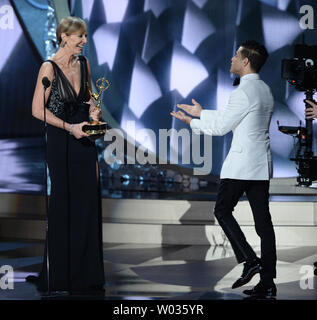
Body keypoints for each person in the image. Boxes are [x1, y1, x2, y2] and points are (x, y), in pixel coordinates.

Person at [171, 40, 277, 299]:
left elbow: (221, 128)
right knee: (264, 224)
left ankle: (250, 260)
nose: (231, 59)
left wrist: (193, 122)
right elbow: (233, 117)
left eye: (236, 55)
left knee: (222, 210)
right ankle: (267, 280)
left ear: (245, 61)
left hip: (241, 166)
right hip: (260, 165)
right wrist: (202, 113)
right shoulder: (264, 89)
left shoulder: (243, 92)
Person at [27, 16, 105, 295]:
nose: (84, 41)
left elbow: (88, 96)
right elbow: (37, 110)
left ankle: (85, 274)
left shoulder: (83, 64)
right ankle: (59, 274)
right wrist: (70, 127)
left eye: (85, 36)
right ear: (63, 37)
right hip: (61, 141)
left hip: (84, 139)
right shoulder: (48, 67)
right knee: (63, 205)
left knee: (86, 203)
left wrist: (93, 112)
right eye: (79, 37)